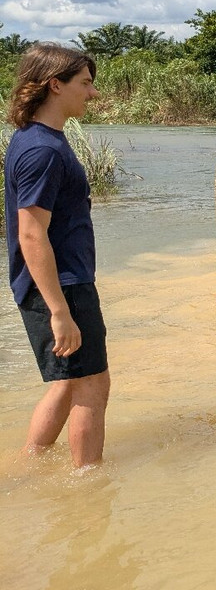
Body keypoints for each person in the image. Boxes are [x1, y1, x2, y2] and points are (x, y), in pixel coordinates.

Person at [4, 42, 110, 468]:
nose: (92, 93)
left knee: (67, 382)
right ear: (54, 85)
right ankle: (88, 486)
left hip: (58, 284)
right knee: (92, 384)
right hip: (61, 287)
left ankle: (30, 463)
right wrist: (59, 311)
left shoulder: (34, 139)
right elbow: (31, 235)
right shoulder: (43, 151)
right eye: (85, 83)